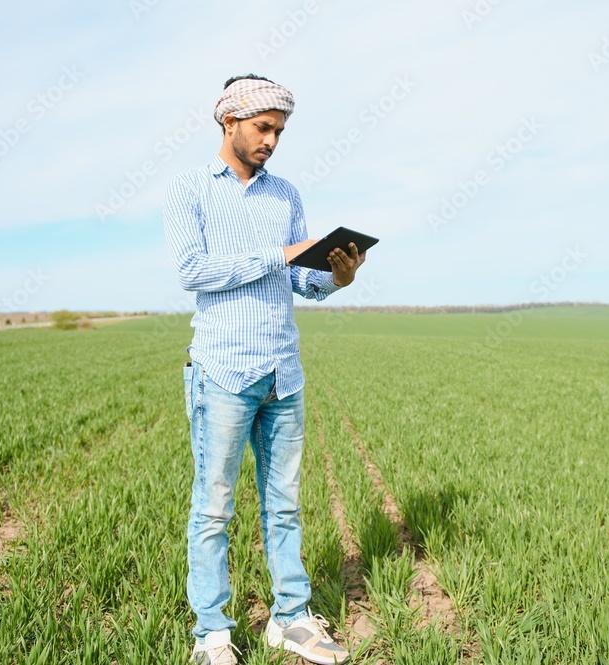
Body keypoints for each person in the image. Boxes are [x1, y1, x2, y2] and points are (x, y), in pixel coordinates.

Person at [163, 74, 363, 665]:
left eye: (280, 131)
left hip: (283, 372)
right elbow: (192, 272)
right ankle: (212, 635)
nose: (273, 140)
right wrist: (275, 256)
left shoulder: (287, 196)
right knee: (214, 506)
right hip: (222, 371)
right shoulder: (189, 190)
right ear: (229, 122)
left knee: (284, 504)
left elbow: (302, 278)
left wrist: (335, 277)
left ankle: (292, 620)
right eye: (264, 128)